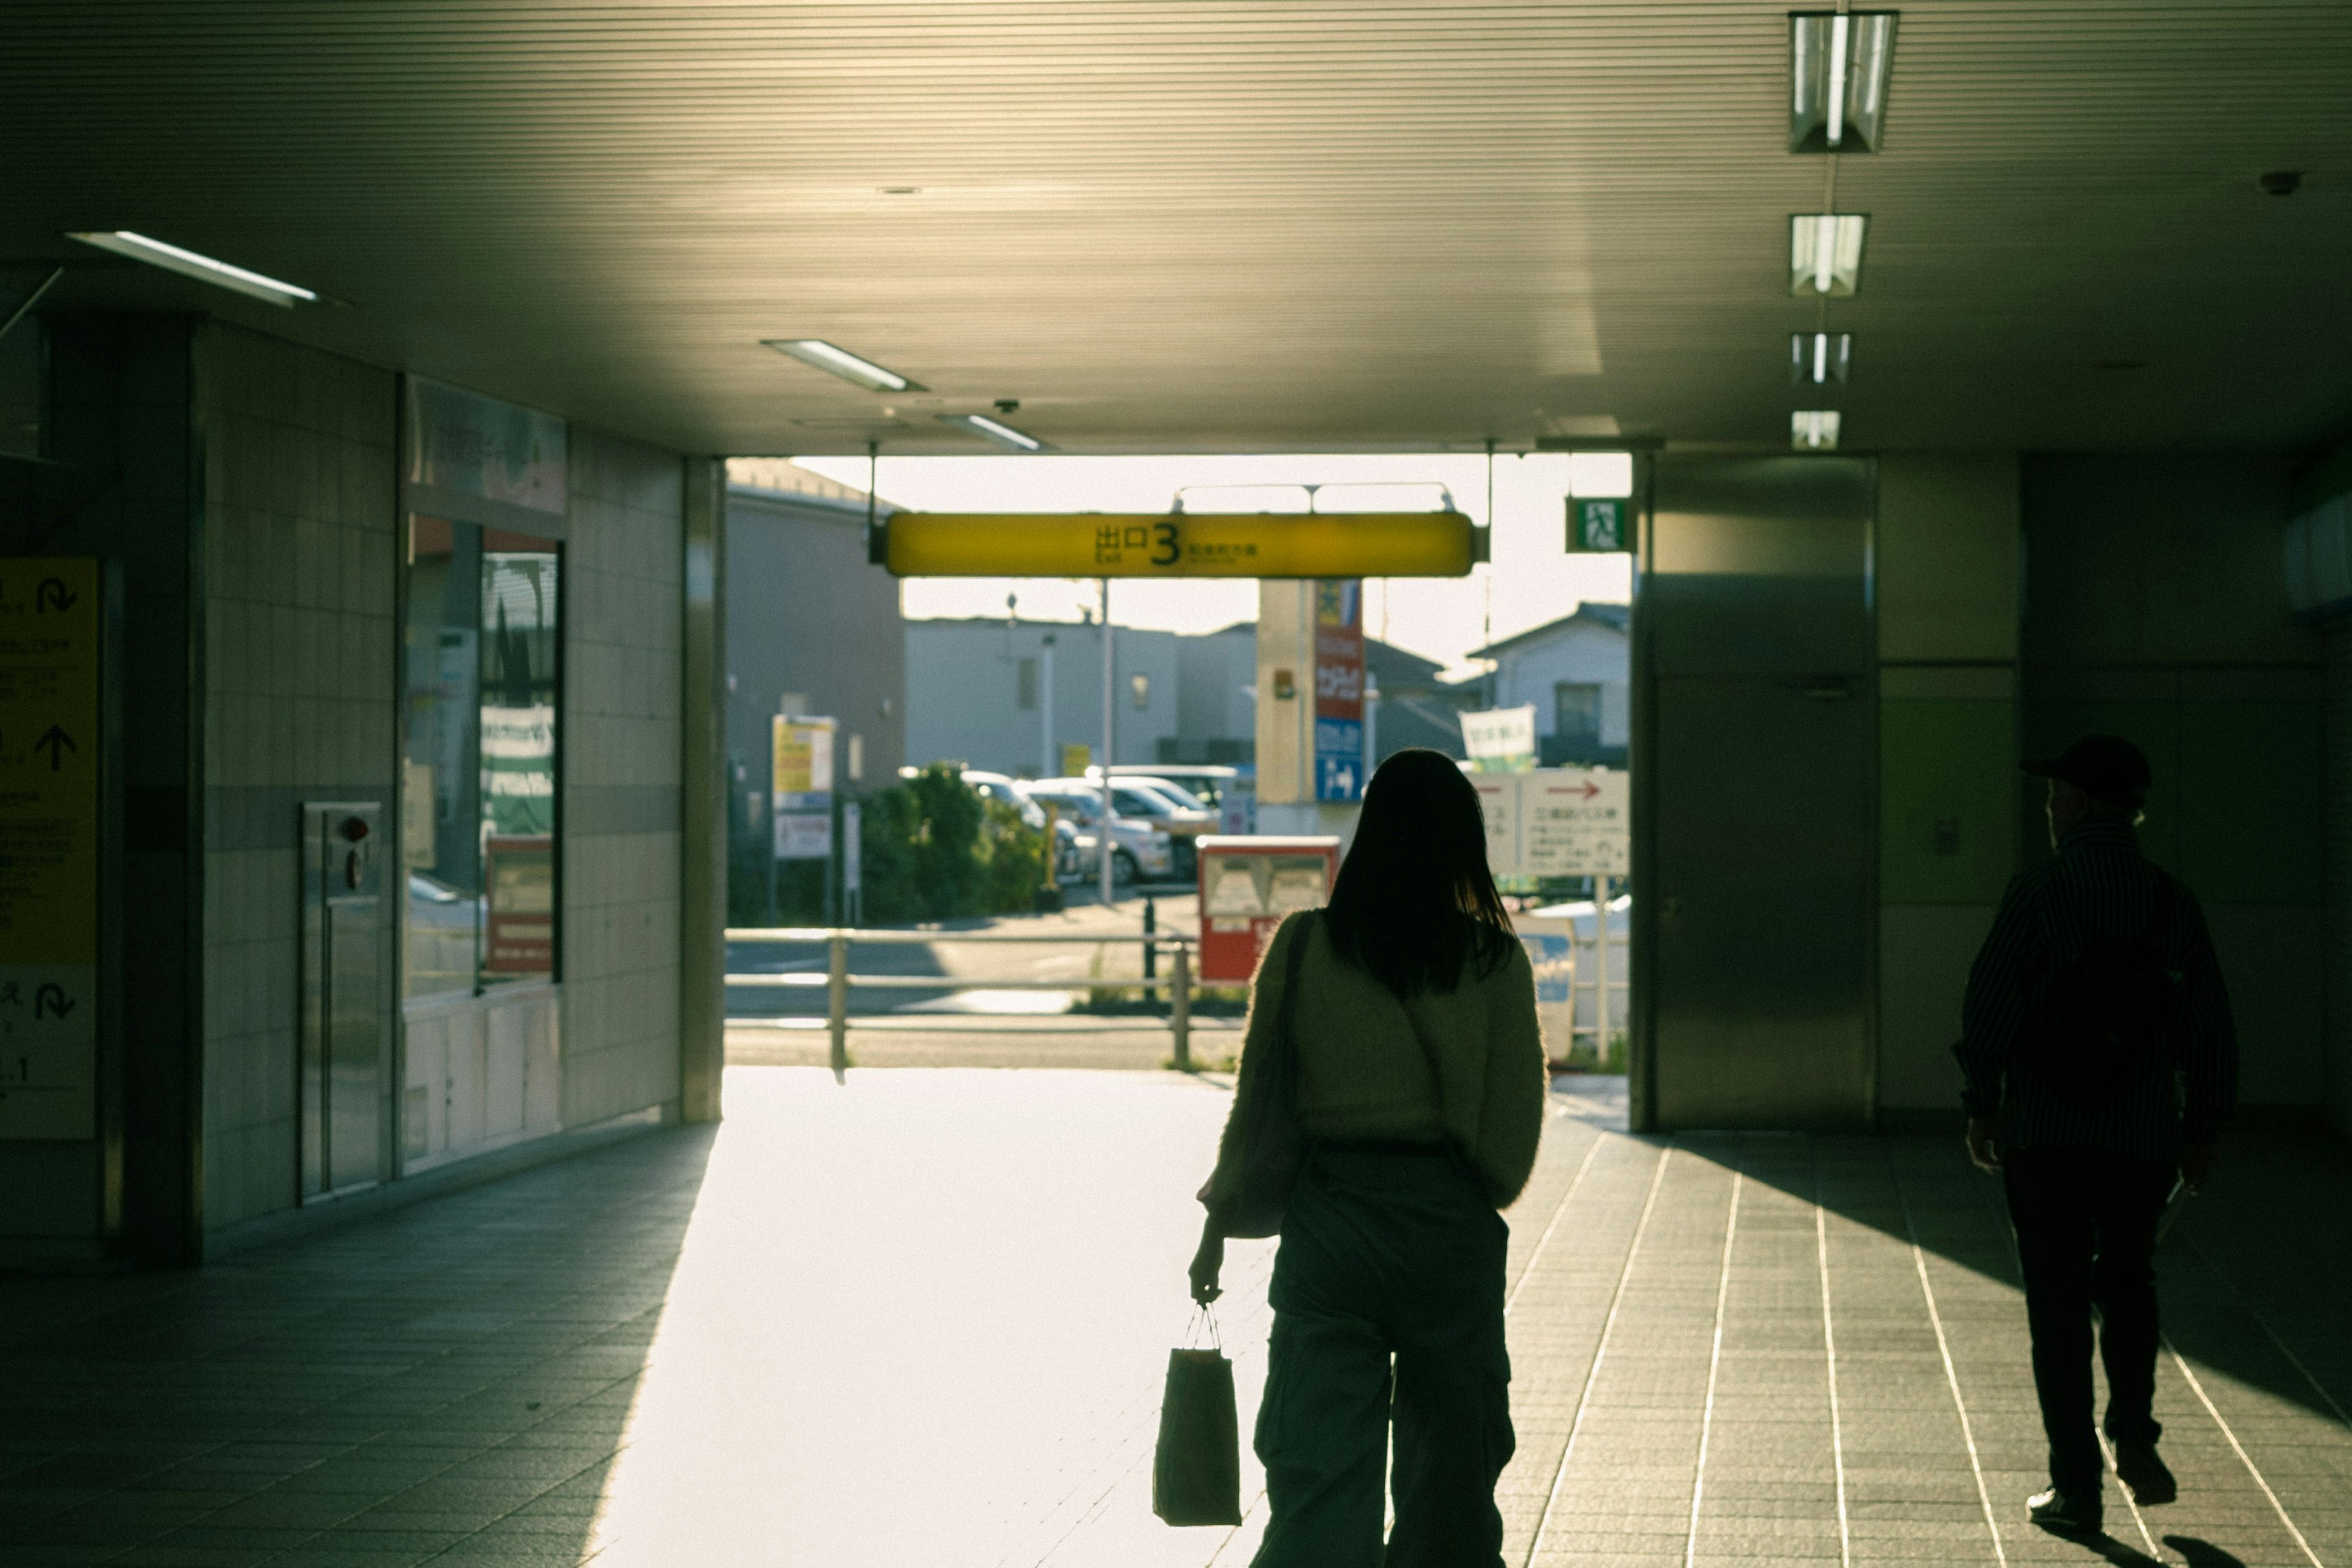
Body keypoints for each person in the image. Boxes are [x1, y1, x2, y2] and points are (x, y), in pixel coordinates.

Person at [1188, 748, 1548, 1568]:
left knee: (1317, 1477)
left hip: (1332, 1231)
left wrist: (1217, 1229)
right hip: (1446, 1237)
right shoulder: (1494, 964)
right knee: (1448, 1488)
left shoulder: (1307, 948)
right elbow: (1509, 1150)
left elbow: (1258, 1109)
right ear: (1464, 845)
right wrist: (1456, 1180)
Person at [1954, 734, 2237, 1536]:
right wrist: (2205, 1123)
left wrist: (1982, 1100)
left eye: (2054, 797)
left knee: (2057, 1303)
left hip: (2046, 1130)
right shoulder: (2168, 900)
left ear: (2076, 804)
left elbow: (1991, 1000)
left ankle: (2076, 1485)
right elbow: (2209, 1020)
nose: (2049, 811)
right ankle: (2135, 1435)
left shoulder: (2041, 890)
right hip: (2141, 1132)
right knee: (2129, 1280)